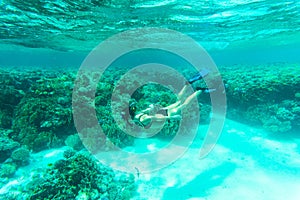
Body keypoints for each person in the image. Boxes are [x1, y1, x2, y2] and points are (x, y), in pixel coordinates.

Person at [128, 69, 215, 129]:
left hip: (167, 113)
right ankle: (187, 84)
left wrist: (172, 117)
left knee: (184, 105)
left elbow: (153, 117)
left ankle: (198, 91)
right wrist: (150, 107)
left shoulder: (140, 119)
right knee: (179, 101)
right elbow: (148, 110)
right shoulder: (138, 115)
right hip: (162, 110)